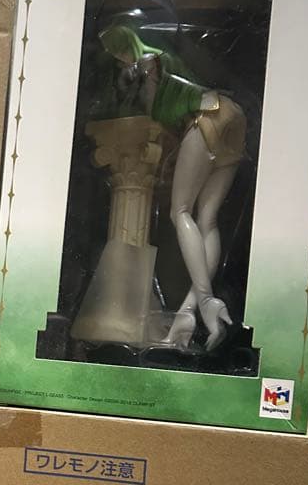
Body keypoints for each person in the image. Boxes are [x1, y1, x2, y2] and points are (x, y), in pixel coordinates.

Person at [99, 24, 246, 350]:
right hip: (232, 115)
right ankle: (190, 311)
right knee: (207, 219)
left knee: (179, 211)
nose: (119, 61)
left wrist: (130, 86)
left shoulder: (148, 62)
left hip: (206, 117)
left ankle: (205, 300)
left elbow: (154, 112)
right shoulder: (166, 61)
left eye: (118, 54)